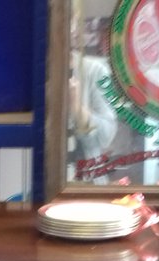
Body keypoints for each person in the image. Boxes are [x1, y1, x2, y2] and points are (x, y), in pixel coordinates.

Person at [67, 0, 118, 183]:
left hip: (87, 188)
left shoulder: (95, 71)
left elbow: (106, 136)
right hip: (42, 185)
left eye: (68, 19)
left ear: (74, 23)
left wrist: (78, 108)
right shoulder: (34, 72)